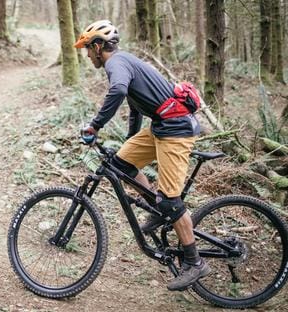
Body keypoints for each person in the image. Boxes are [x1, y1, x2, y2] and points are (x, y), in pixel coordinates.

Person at [74, 20, 210, 291]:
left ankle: (194, 262)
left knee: (171, 200)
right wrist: (130, 140)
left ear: (99, 46)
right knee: (121, 164)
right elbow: (136, 104)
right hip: (161, 125)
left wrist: (95, 125)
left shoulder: (115, 64)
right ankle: (157, 209)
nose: (88, 55)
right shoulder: (125, 61)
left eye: (88, 49)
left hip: (176, 129)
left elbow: (120, 91)